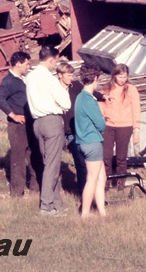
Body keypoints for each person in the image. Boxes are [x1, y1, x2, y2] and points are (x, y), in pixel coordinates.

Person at [25, 46, 71, 216]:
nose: (55, 65)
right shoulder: (49, 78)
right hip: (51, 121)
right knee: (53, 165)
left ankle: (56, 203)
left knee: (49, 164)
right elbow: (66, 103)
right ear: (51, 59)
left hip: (37, 123)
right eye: (56, 61)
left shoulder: (30, 76)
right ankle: (46, 206)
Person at [0, 51, 41, 197]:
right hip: (17, 127)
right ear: (18, 63)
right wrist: (13, 115)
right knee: (18, 159)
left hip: (29, 124)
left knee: (34, 155)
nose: (29, 66)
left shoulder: (24, 79)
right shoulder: (9, 81)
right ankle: (17, 193)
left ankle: (35, 188)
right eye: (27, 63)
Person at [99, 64, 141, 190]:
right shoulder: (106, 88)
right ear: (114, 76)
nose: (123, 79)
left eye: (125, 77)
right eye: (120, 77)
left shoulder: (131, 89)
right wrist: (103, 116)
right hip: (108, 125)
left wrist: (136, 129)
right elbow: (100, 103)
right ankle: (105, 183)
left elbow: (136, 109)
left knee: (121, 157)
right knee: (106, 156)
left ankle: (120, 184)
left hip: (125, 126)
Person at [73, 64, 106, 219]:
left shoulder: (79, 97)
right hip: (92, 142)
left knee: (101, 177)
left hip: (82, 142)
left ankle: (102, 212)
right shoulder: (89, 100)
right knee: (92, 179)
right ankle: (85, 214)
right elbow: (101, 124)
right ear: (95, 79)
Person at [58, 62, 87, 195]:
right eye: (68, 75)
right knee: (54, 161)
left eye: (72, 75)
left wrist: (103, 97)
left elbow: (88, 94)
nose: (71, 78)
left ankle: (83, 189)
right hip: (57, 130)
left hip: (73, 131)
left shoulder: (76, 86)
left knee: (80, 160)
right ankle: (56, 190)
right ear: (60, 75)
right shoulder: (53, 88)